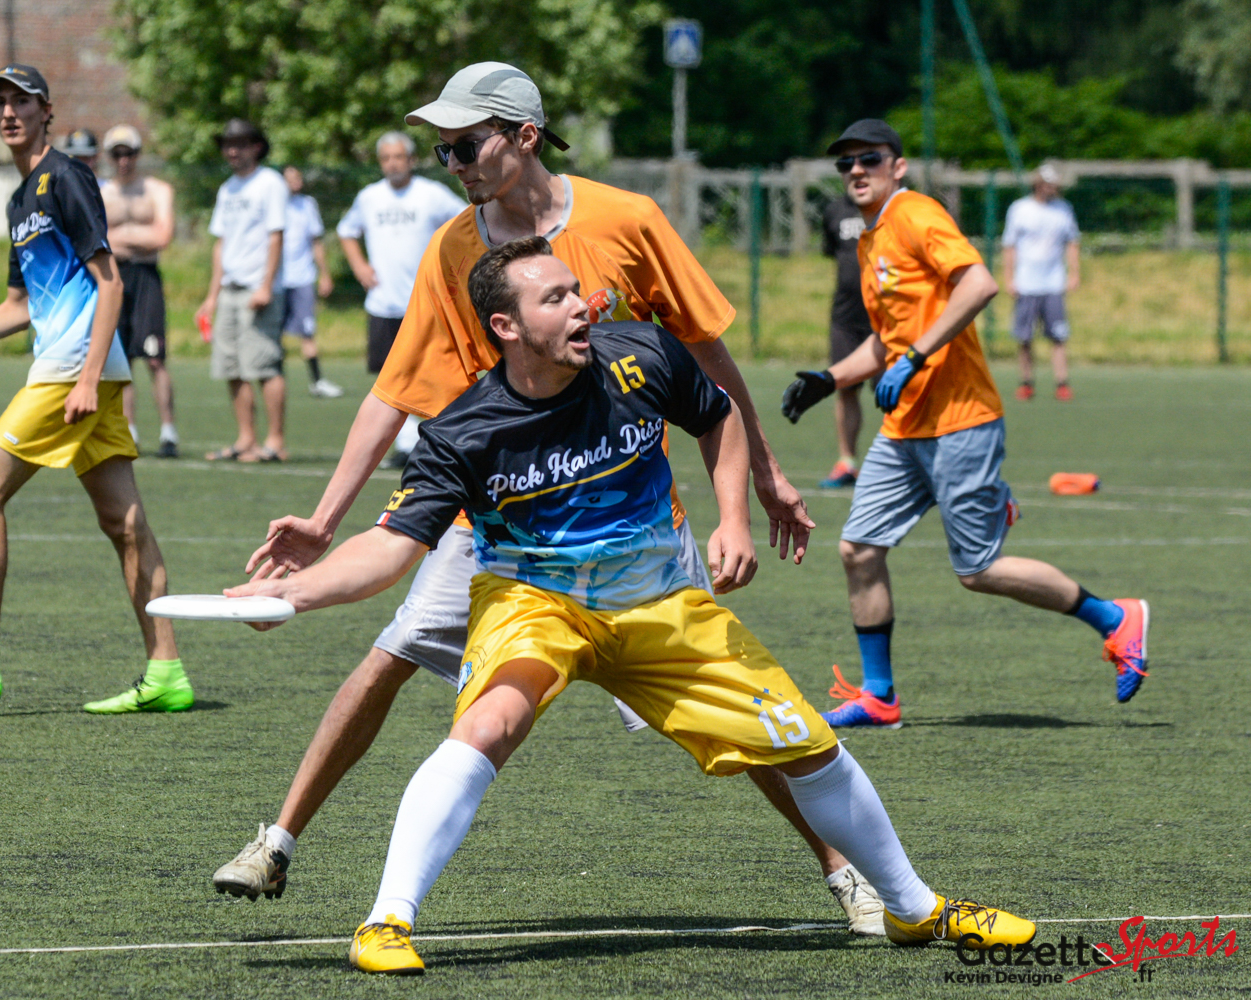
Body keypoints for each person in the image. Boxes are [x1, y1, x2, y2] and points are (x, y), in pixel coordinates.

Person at [227, 239, 1037, 974]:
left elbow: (719, 418)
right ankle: (385, 923)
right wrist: (295, 591)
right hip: (534, 603)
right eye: (555, 299)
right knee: (486, 725)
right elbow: (391, 547)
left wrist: (731, 517)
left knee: (808, 745)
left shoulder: (642, 353)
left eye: (575, 290)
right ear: (506, 327)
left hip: (659, 601)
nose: (581, 306)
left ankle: (916, 909)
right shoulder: (464, 430)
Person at [213, 62, 884, 938]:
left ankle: (845, 872)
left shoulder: (626, 219)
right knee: (390, 655)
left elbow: (704, 357)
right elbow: (394, 390)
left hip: (627, 524)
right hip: (499, 513)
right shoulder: (454, 248)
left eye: (465, 144)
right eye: (442, 149)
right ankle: (279, 840)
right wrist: (323, 520)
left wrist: (761, 476)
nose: (452, 162)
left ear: (525, 136)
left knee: (740, 712)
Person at [780, 120, 1148, 730]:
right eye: (846, 163)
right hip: (905, 427)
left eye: (869, 158)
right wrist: (829, 378)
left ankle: (1116, 618)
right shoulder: (870, 239)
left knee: (977, 571)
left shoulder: (916, 213)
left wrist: (916, 356)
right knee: (858, 549)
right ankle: (879, 696)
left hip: (961, 421)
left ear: (898, 165)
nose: (856, 171)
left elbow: (979, 283)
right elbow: (887, 339)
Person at [0, 64, 192, 715]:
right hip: (83, 371)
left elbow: (110, 282)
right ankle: (167, 671)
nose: (8, 112)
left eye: (21, 101)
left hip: (70, 373)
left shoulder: (66, 178)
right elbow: (19, 304)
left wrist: (85, 377)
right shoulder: (19, 200)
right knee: (124, 523)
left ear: (45, 110)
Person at [336, 131, 466, 464]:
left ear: (411, 160)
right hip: (383, 303)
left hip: (425, 303)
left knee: (429, 373)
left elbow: (467, 223)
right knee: (390, 377)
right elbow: (346, 231)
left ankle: (430, 442)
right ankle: (407, 443)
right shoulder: (369, 197)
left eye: (398, 157)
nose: (392, 164)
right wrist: (359, 266)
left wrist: (449, 269)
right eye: (386, 158)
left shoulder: (431, 194)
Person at [196, 119, 289, 463]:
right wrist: (212, 296)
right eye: (228, 144)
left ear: (256, 147)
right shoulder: (227, 189)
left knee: (265, 365)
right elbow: (220, 244)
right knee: (231, 368)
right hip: (229, 290)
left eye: (240, 144)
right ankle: (246, 439)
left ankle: (275, 442)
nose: (232, 151)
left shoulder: (270, 183)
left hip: (257, 289)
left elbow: (275, 236)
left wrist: (266, 285)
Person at [100, 124, 179, 458]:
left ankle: (168, 432)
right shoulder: (102, 194)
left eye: (129, 153)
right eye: (117, 154)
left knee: (155, 357)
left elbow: (163, 236)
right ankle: (129, 430)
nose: (124, 160)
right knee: (122, 359)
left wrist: (119, 237)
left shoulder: (157, 190)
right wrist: (139, 237)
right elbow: (96, 241)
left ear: (138, 154)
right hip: (115, 276)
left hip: (147, 276)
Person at [1003, 164, 1080, 401]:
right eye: (1047, 184)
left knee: (1058, 336)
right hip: (1026, 283)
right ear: (1037, 183)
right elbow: (1009, 245)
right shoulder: (1020, 209)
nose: (1051, 188)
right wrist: (1009, 277)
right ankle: (1026, 383)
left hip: (1053, 283)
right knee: (1024, 337)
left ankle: (1062, 383)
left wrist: (1074, 273)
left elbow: (1072, 242)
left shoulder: (1064, 209)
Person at [817, 192, 876, 488]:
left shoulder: (895, 209)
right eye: (846, 168)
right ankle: (847, 462)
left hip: (886, 317)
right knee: (845, 388)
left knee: (897, 392)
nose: (855, 171)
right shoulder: (835, 210)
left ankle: (907, 464)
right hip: (846, 317)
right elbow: (832, 253)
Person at [280, 164, 343, 399]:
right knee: (273, 335)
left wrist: (324, 274)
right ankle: (274, 382)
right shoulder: (273, 205)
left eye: (298, 176)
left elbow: (316, 242)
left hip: (302, 278)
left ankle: (317, 382)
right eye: (290, 177)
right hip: (276, 281)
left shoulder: (308, 204)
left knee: (307, 331)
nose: (296, 180)